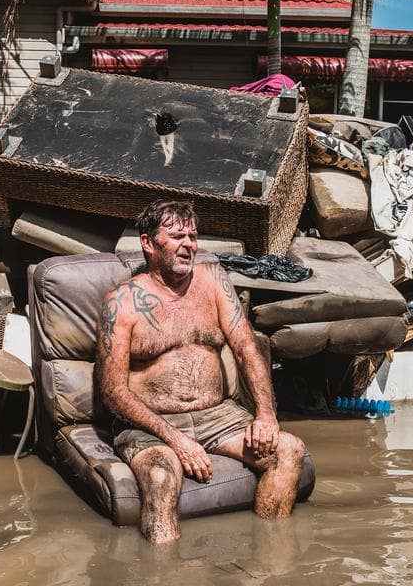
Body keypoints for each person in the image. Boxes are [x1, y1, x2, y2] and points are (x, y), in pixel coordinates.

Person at [96, 199, 305, 544]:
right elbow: (113, 392)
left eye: (192, 236)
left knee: (289, 449)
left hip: (219, 417)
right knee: (161, 478)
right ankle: (163, 567)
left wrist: (266, 415)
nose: (188, 245)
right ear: (148, 243)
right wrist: (176, 440)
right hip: (152, 425)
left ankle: (270, 558)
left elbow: (247, 349)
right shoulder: (122, 303)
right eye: (177, 236)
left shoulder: (214, 283)